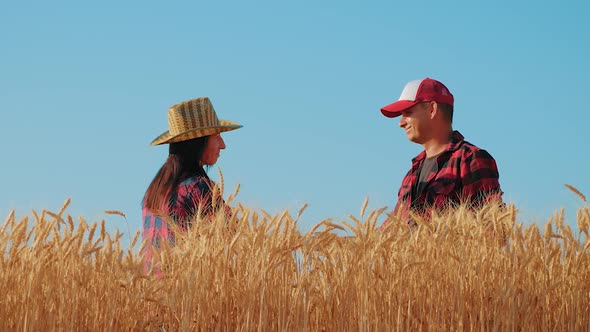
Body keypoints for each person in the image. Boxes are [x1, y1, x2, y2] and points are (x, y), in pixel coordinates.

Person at [379, 78, 502, 227]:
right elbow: (390, 233)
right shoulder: (411, 175)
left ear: (432, 109)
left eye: (408, 112)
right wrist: (347, 244)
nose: (401, 123)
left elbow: (492, 230)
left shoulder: (470, 159)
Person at [142, 97, 242, 269]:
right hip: (190, 290)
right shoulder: (198, 188)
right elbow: (237, 236)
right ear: (198, 142)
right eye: (216, 136)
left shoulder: (153, 192)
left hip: (154, 291)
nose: (223, 145)